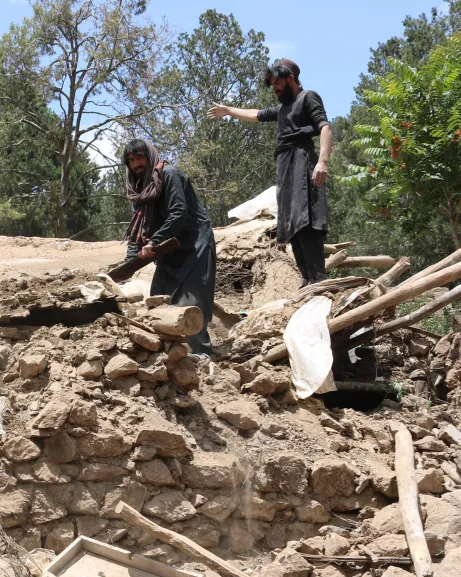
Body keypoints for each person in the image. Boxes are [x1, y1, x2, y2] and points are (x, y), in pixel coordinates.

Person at [207, 59, 332, 285]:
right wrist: (228, 111)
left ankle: (319, 279)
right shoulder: (283, 108)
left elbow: (325, 127)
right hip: (285, 165)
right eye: (272, 84)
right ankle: (307, 279)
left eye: (277, 83)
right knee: (291, 222)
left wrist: (323, 162)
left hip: (302, 160)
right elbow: (255, 114)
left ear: (291, 79)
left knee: (306, 218)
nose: (274, 88)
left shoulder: (308, 97)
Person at [121, 138, 217, 355]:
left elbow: (178, 213)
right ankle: (171, 356)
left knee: (190, 305)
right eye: (131, 160)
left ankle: (201, 357)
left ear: (150, 156)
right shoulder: (141, 190)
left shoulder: (169, 174)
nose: (136, 164)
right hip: (168, 252)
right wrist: (126, 266)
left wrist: (154, 241)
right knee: (158, 302)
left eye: (140, 157)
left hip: (194, 247)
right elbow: (138, 230)